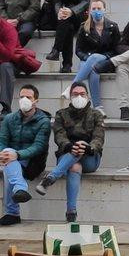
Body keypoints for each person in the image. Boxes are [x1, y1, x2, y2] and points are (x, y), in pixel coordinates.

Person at [38, 80, 104, 222]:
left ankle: (51, 178)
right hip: (66, 156)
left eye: (82, 94)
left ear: (88, 96)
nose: (79, 97)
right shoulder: (61, 114)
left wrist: (88, 147)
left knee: (80, 146)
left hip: (90, 158)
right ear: (70, 96)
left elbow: (99, 138)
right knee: (74, 165)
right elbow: (59, 135)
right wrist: (68, 146)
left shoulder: (96, 115)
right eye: (75, 94)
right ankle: (71, 212)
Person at [0, 85, 50, 227]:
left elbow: (38, 146)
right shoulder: (9, 118)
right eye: (22, 97)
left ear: (36, 101)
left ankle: (12, 212)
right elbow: (0, 141)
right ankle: (19, 189)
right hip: (12, 158)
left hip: (33, 162)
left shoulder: (44, 121)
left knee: (9, 159)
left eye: (28, 97)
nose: (24, 100)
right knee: (8, 158)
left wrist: (17, 154)